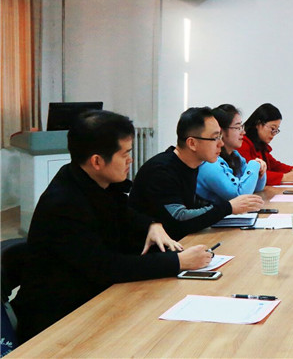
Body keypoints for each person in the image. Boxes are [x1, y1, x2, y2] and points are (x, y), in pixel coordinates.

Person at [12, 110, 212, 342]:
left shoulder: (94, 182)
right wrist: (178, 262)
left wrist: (152, 224)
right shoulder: (64, 203)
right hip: (57, 323)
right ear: (97, 161)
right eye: (125, 154)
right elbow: (106, 266)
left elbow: (126, 215)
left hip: (94, 301)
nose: (130, 160)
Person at [129, 107, 264, 240]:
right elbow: (179, 219)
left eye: (220, 136)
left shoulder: (191, 165)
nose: (221, 144)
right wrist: (229, 207)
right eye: (215, 138)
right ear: (192, 143)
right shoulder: (162, 171)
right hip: (148, 249)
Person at [196, 104, 267, 203]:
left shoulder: (235, 155)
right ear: (220, 132)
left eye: (242, 127)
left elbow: (256, 188)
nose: (243, 132)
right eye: (237, 128)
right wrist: (254, 165)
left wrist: (260, 169)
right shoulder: (210, 163)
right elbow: (239, 194)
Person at [237, 103, 293, 185]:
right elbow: (251, 175)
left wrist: (292, 170)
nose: (274, 133)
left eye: (276, 130)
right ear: (258, 124)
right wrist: (284, 177)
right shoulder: (242, 144)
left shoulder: (260, 144)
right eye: (272, 128)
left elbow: (274, 165)